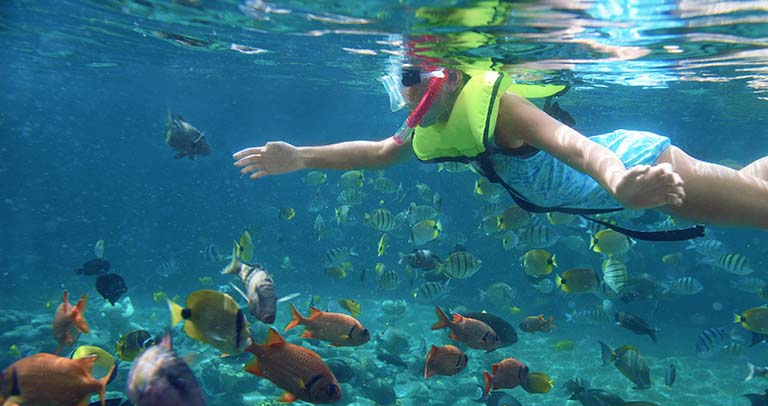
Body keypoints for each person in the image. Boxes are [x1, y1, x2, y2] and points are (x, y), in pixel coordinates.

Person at [232, 65, 768, 235]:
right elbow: (376, 152)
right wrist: (301, 157)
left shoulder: (503, 108)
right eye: (398, 84)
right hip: (623, 184)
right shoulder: (434, 128)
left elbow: (576, 148)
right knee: (748, 187)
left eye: (410, 78)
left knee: (759, 208)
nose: (405, 95)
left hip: (639, 165)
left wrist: (623, 183)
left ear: (448, 72)